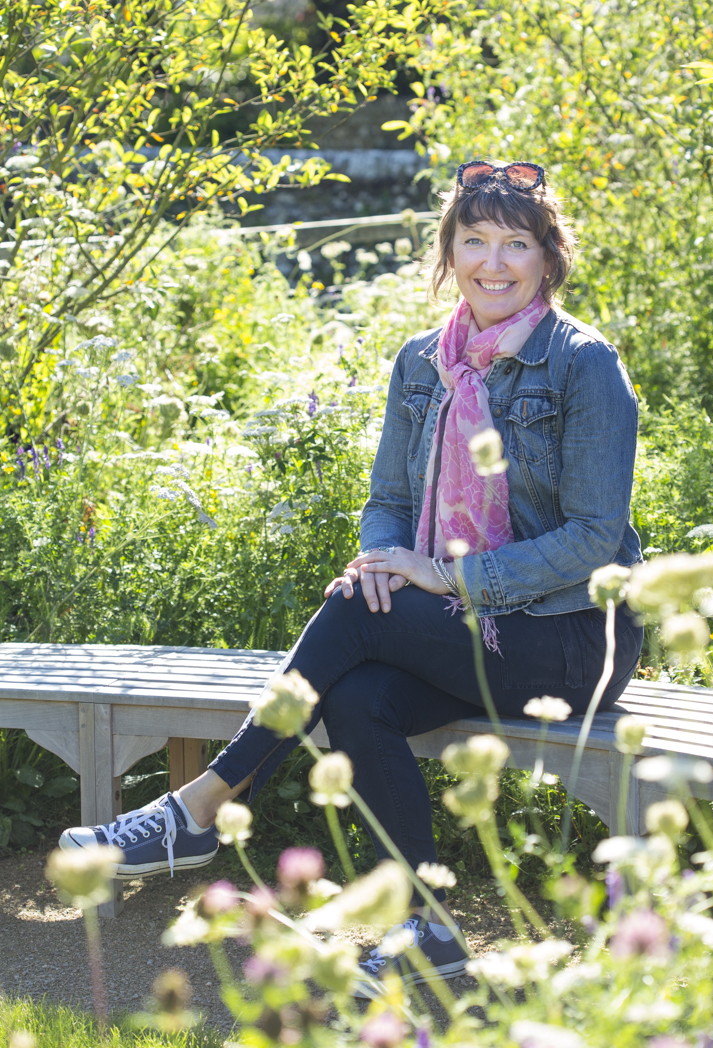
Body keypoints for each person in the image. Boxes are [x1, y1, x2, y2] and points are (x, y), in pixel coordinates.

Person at [59, 158, 643, 988]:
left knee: (355, 615)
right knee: (360, 694)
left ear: (549, 257)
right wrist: (381, 562)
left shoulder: (583, 364)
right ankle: (427, 928)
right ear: (449, 251)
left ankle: (200, 806)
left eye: (516, 243)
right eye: (474, 240)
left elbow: (593, 537)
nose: (494, 262)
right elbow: (389, 501)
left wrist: (441, 578)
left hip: (573, 638)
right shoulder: (422, 361)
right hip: (472, 632)